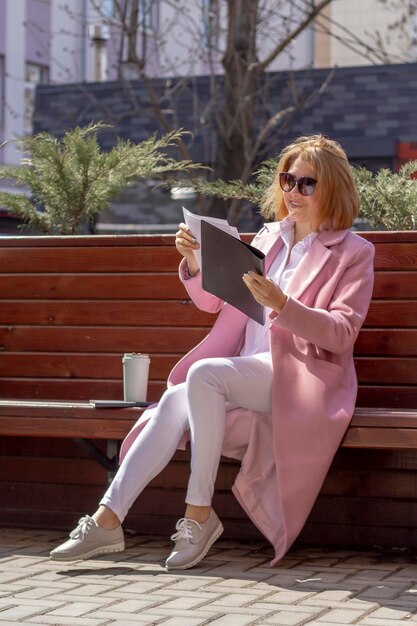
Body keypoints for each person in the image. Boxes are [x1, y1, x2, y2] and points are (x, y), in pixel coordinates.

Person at [50, 134, 375, 569]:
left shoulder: (353, 253)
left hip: (303, 377)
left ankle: (199, 514)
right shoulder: (267, 238)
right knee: (175, 396)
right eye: (287, 180)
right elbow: (217, 304)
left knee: (203, 375)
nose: (293, 192)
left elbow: (340, 334)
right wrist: (197, 263)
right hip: (246, 371)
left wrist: (283, 304)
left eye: (306, 184)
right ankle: (108, 518)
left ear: (331, 188)